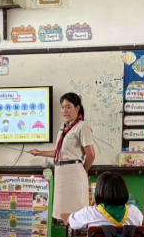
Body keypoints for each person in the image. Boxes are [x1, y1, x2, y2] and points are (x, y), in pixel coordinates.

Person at [30, 92, 95, 225]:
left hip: (74, 173)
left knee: (77, 214)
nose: (64, 111)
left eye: (68, 107)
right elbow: (60, 152)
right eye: (63, 107)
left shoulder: (82, 126)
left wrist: (83, 171)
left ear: (77, 108)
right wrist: (40, 152)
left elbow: (91, 154)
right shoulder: (63, 127)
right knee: (63, 214)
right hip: (61, 173)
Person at [66, 172, 144, 237]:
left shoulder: (90, 212)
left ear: (99, 191)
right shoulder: (135, 212)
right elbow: (140, 223)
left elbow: (70, 221)